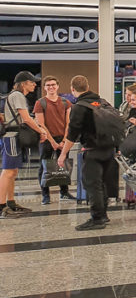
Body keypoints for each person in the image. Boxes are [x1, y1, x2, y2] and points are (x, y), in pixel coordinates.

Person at [56, 76, 118, 230]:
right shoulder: (102, 102)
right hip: (109, 149)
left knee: (92, 184)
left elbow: (72, 134)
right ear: (88, 86)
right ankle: (103, 215)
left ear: (72, 89)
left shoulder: (79, 107)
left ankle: (97, 218)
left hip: (92, 151)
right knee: (103, 183)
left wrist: (63, 154)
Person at [1, 71, 49, 218]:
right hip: (12, 137)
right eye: (31, 81)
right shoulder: (18, 95)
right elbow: (26, 119)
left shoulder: (15, 95)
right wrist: (41, 131)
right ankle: (1, 206)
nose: (34, 84)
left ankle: (11, 202)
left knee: (13, 172)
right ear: (23, 83)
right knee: (8, 171)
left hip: (13, 137)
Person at [33, 76, 73, 205]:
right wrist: (52, 142)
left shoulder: (66, 102)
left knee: (63, 166)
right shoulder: (40, 103)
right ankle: (45, 195)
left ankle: (64, 192)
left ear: (58, 86)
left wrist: (64, 141)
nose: (51, 87)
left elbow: (68, 123)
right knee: (44, 166)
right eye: (48, 85)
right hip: (46, 139)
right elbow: (41, 124)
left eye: (53, 85)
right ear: (44, 88)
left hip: (62, 139)